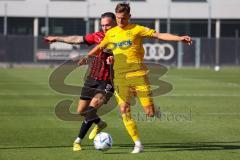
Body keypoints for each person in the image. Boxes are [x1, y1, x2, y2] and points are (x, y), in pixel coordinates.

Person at [85, 3, 192, 153]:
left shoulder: (137, 29)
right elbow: (100, 46)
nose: (120, 21)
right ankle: (138, 144)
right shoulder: (111, 33)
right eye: (118, 18)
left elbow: (159, 35)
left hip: (139, 76)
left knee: (149, 112)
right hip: (120, 78)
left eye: (123, 18)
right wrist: (88, 56)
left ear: (129, 16)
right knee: (124, 109)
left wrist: (179, 38)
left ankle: (154, 109)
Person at [44, 12, 117, 151]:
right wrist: (57, 38)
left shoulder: (122, 38)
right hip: (92, 79)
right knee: (81, 111)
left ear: (115, 23)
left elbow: (129, 58)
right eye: (102, 25)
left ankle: (77, 141)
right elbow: (77, 39)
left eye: (107, 24)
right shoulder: (98, 36)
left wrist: (116, 60)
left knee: (92, 107)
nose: (104, 27)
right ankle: (100, 124)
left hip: (108, 81)